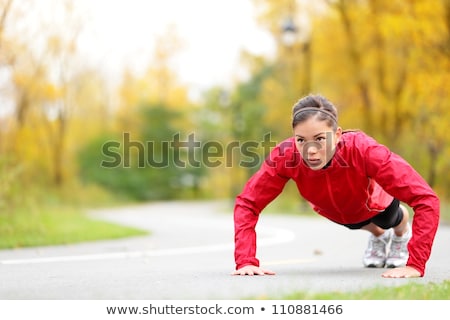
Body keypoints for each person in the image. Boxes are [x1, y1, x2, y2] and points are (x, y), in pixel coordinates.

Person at [232, 94, 440, 278]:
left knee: (387, 220)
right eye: (301, 140)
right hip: (336, 210)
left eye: (320, 139)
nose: (310, 150)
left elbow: (426, 199)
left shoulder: (363, 149)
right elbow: (248, 203)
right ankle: (378, 237)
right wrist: (246, 261)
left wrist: (415, 265)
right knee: (351, 221)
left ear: (338, 134)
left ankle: (400, 232)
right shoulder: (285, 156)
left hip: (377, 204)